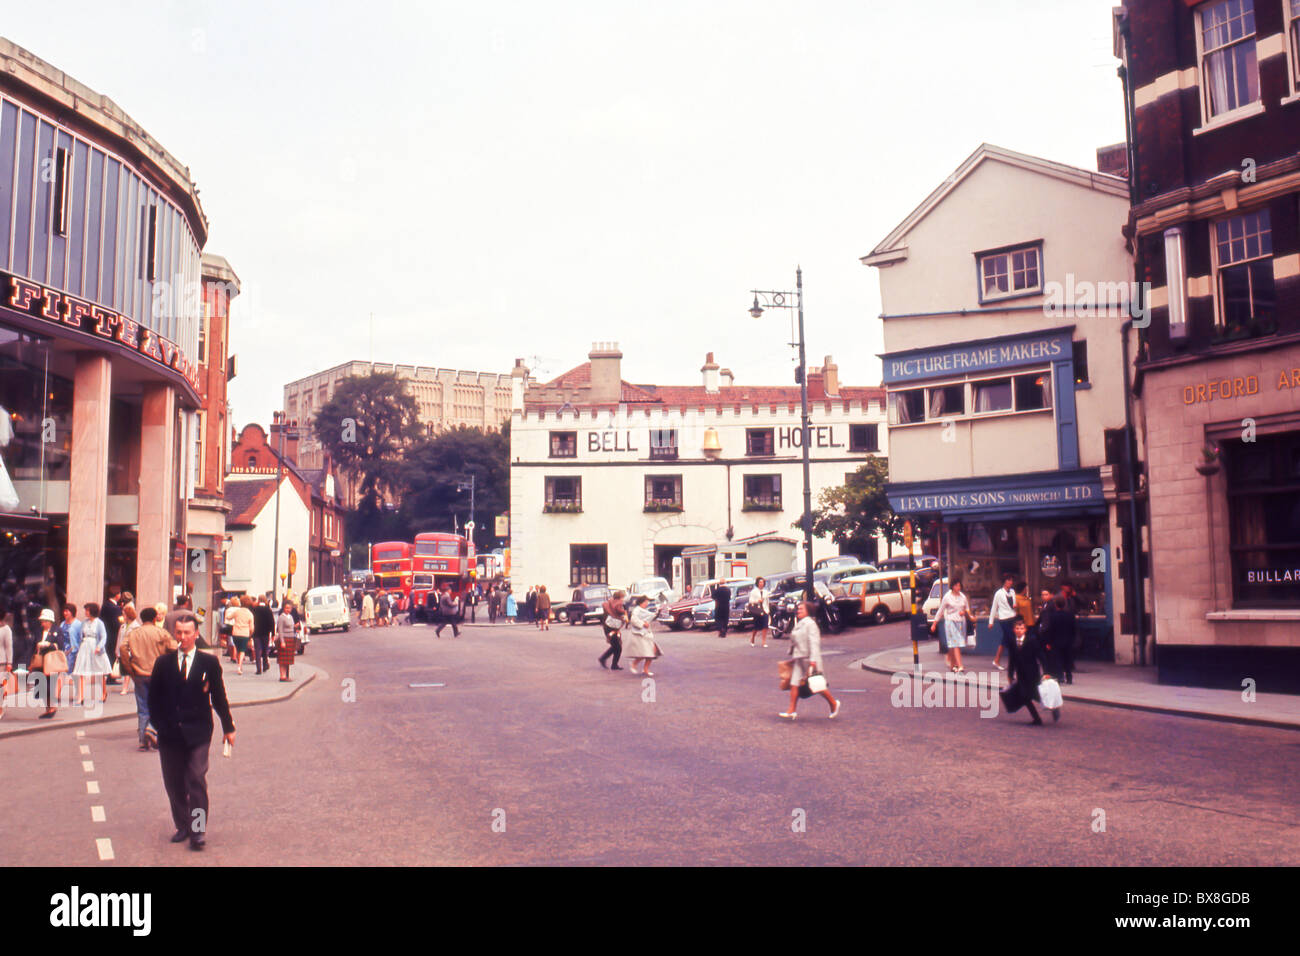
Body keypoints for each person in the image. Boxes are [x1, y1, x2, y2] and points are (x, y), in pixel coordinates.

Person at [148, 614, 234, 850]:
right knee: (174, 783)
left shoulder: (209, 663)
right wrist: (157, 725)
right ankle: (183, 825)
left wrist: (228, 727)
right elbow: (152, 699)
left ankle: (197, 831)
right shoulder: (163, 664)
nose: (183, 637)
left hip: (198, 732)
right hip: (170, 734)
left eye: (187, 633)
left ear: (196, 634)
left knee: (196, 778)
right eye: (179, 632)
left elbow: (219, 697)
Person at [120, 606, 176, 750]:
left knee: (143, 706)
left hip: (139, 673)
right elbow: (175, 648)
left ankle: (143, 740)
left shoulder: (134, 633)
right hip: (158, 674)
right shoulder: (161, 633)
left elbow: (122, 649)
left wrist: (129, 668)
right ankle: (152, 731)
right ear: (154, 618)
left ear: (141, 618)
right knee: (160, 705)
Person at [780, 601, 840, 720]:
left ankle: (833, 703)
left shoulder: (811, 624)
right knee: (794, 684)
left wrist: (813, 660)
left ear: (808, 611)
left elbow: (814, 643)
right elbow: (795, 641)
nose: (798, 611)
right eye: (798, 609)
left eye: (801, 609)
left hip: (809, 659)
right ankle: (791, 710)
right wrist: (793, 655)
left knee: (817, 685)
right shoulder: (800, 623)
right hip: (799, 659)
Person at [999, 617, 1056, 725]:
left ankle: (1052, 707)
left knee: (1036, 695)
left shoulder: (1032, 641)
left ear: (1025, 630)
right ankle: (1037, 719)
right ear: (1014, 630)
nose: (1019, 630)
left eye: (1021, 628)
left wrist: (1046, 672)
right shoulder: (1012, 642)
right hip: (1021, 675)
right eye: (1017, 628)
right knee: (1025, 697)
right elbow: (1012, 659)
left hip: (1033, 674)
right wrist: (1010, 674)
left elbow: (1041, 657)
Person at [931, 579, 976, 673]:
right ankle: (960, 666)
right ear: (952, 586)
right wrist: (934, 623)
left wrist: (966, 614)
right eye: (956, 586)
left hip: (961, 622)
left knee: (953, 644)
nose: (958, 588)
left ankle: (952, 665)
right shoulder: (947, 597)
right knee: (956, 643)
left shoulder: (963, 596)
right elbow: (941, 610)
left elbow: (967, 609)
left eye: (959, 586)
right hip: (950, 621)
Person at [73, 603, 111, 706]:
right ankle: (81, 696)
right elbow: (80, 635)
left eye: (87, 610)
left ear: (92, 611)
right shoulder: (84, 623)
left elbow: (104, 636)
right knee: (81, 670)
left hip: (95, 646)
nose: (85, 612)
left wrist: (100, 646)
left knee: (100, 671)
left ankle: (103, 693)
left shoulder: (99, 623)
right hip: (85, 646)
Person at [33, 608, 67, 718]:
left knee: (50, 685)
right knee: (41, 686)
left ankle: (53, 707)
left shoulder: (57, 631)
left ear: (49, 621)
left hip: (51, 662)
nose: (42, 623)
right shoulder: (38, 631)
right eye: (42, 621)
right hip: (40, 662)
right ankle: (47, 708)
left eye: (44, 621)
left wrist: (49, 645)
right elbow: (33, 644)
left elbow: (61, 645)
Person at [1042, 593, 1077, 685]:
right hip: (1068, 640)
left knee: (1058, 659)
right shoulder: (1070, 615)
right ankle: (1069, 677)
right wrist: (1073, 639)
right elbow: (1074, 628)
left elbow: (1050, 630)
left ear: (1055, 604)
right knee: (1067, 659)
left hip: (1056, 641)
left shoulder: (1053, 616)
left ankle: (1060, 677)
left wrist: (1048, 642)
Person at [988, 574, 1019, 673]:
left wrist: (1015, 606)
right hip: (1004, 619)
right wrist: (991, 621)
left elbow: (1014, 604)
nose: (1011, 582)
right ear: (1004, 581)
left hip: (1012, 617)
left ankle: (996, 660)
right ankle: (1014, 662)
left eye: (1011, 580)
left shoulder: (1013, 592)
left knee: (1005, 640)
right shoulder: (998, 593)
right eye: (1009, 580)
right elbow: (994, 607)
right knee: (1011, 640)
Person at [621, 595, 659, 676]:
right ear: (641, 602)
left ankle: (645, 669)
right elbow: (633, 620)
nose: (647, 603)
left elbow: (651, 616)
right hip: (639, 634)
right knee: (644, 652)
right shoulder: (637, 610)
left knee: (652, 652)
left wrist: (658, 613)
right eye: (646, 601)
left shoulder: (643, 610)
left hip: (646, 634)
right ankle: (634, 664)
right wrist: (643, 624)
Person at [598, 589, 626, 670]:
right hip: (612, 626)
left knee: (616, 646)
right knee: (617, 646)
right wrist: (624, 612)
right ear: (620, 597)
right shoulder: (618, 603)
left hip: (607, 626)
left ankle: (611, 663)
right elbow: (619, 611)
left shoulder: (609, 603)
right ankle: (605, 660)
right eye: (623, 597)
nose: (623, 599)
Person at [226, 597, 254, 676]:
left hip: (235, 633)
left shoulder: (237, 612)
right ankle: (239, 666)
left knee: (238, 649)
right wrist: (250, 633)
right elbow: (251, 627)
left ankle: (239, 664)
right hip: (244, 634)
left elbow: (228, 617)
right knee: (242, 650)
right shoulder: (250, 614)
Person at [101, 584, 123, 683]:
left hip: (107, 633)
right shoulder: (114, 608)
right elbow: (117, 623)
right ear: (117, 595)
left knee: (109, 654)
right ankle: (111, 677)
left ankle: (109, 676)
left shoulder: (105, 605)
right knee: (112, 655)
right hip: (113, 635)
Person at [118, 601, 139, 695]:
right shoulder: (123, 626)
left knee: (128, 670)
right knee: (128, 670)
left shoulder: (136, 626)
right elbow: (119, 639)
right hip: (123, 650)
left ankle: (125, 687)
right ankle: (138, 685)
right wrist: (117, 650)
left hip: (131, 651)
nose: (123, 616)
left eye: (124, 615)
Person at [275, 600, 299, 680]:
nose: (288, 609)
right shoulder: (282, 617)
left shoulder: (291, 616)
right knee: (282, 659)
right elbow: (280, 630)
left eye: (289, 608)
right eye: (286, 608)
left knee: (287, 660)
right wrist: (282, 641)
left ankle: (286, 675)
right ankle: (282, 676)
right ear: (283, 608)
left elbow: (291, 626)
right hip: (284, 639)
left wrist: (295, 627)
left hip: (291, 639)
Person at [58, 604, 82, 683]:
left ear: (72, 612)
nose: (65, 613)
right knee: (62, 671)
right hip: (63, 650)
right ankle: (58, 692)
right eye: (64, 611)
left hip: (73, 650)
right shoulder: (62, 624)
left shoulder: (78, 624)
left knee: (70, 671)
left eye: (67, 611)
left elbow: (81, 638)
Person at [252, 595, 275, 675]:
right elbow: (272, 622)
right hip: (265, 633)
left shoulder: (254, 609)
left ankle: (258, 669)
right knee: (265, 650)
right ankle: (265, 665)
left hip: (256, 633)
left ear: (258, 600)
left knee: (257, 650)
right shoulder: (268, 610)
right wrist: (273, 633)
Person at [747, 577, 771, 648]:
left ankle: (764, 642)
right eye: (760, 582)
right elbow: (750, 601)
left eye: (763, 582)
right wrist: (757, 601)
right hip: (757, 610)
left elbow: (767, 601)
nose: (761, 584)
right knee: (756, 627)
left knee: (765, 626)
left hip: (765, 610)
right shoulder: (754, 591)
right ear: (757, 583)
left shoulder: (766, 592)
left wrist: (768, 610)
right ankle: (753, 638)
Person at [0, 610, 12, 720]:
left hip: (1, 662)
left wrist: (9, 663)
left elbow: (9, 647)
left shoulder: (5, 629)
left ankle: (1, 708)